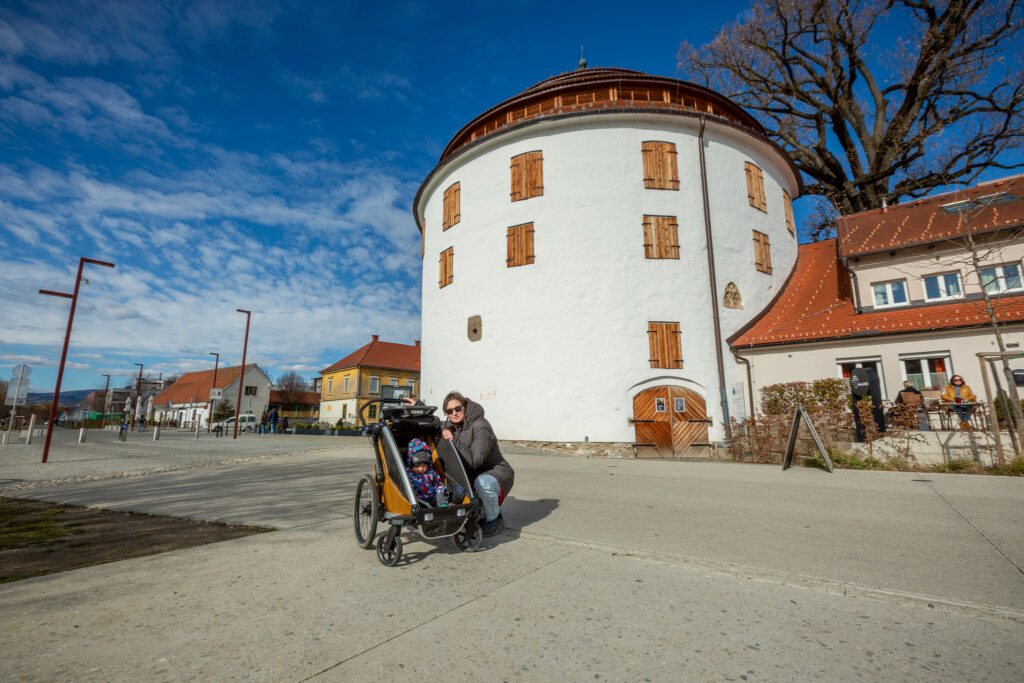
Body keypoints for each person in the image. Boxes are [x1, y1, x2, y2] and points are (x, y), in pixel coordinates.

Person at [439, 391, 514, 536]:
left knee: (482, 483)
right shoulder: (452, 425)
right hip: (474, 473)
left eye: (458, 408)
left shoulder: (481, 426)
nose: (454, 413)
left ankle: (495, 519)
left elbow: (474, 461)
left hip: (495, 472)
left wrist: (453, 439)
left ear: (465, 406)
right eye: (449, 411)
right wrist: (418, 407)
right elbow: (435, 421)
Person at [406, 438, 449, 507]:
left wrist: (440, 493)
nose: (421, 469)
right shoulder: (409, 475)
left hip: (431, 498)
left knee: (440, 496)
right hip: (418, 501)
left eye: (424, 466)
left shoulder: (431, 473)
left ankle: (443, 506)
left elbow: (438, 485)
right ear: (411, 464)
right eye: (417, 466)